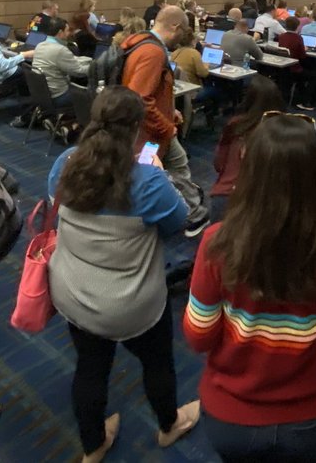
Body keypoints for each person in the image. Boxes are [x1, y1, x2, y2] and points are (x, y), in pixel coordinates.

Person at [184, 114, 316, 461]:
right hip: (310, 417)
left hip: (231, 417)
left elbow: (198, 336)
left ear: (249, 172)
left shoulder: (217, 244)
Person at [48, 87, 199, 462]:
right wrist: (158, 176)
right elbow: (180, 223)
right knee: (157, 363)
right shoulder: (147, 181)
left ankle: (93, 446)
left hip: (73, 292)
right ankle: (169, 425)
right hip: (132, 305)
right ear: (136, 129)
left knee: (90, 368)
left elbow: (56, 207)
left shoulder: (66, 162)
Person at [119, 5, 209, 236]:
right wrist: (167, 127)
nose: (183, 38)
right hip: (151, 133)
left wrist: (170, 111)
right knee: (166, 170)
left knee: (175, 165)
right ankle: (191, 215)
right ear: (175, 27)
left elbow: (148, 92)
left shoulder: (139, 43)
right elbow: (141, 99)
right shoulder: (154, 53)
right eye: (184, 31)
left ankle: (186, 210)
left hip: (145, 128)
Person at [209, 78, 286, 221]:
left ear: (248, 99)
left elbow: (218, 164)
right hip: (265, 204)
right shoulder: (284, 133)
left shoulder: (236, 125)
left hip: (226, 197)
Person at [31, 17, 91, 109]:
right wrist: (95, 66)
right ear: (60, 32)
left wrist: (89, 60)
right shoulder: (60, 50)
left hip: (43, 95)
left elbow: (70, 59)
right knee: (92, 95)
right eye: (67, 31)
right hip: (59, 96)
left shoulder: (40, 45)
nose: (69, 33)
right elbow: (78, 72)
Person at [278, 16, 316, 111]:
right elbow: (302, 56)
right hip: (295, 69)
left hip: (284, 69)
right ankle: (305, 101)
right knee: (315, 76)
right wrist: (304, 49)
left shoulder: (281, 36)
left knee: (303, 76)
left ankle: (300, 96)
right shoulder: (298, 38)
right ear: (297, 26)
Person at [169, 25, 216, 105]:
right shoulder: (194, 53)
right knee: (216, 89)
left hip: (181, 89)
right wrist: (206, 65)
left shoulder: (174, 53)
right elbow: (204, 74)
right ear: (192, 40)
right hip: (193, 91)